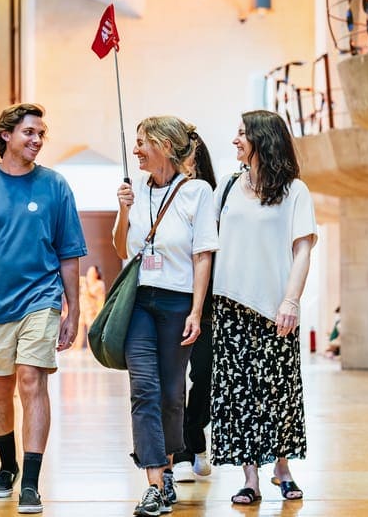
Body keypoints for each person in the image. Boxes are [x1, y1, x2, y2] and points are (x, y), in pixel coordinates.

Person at [0, 103, 87, 514]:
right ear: (6, 135)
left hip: (39, 299)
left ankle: (30, 480)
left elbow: (69, 254)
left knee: (31, 380)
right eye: (29, 132)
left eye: (42, 134)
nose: (37, 140)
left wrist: (72, 311)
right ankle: (6, 465)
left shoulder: (55, 186)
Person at [112, 117, 218, 516]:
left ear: (165, 146)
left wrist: (196, 309)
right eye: (136, 143)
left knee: (173, 395)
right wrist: (123, 211)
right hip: (139, 302)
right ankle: (155, 483)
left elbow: (202, 253)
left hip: (177, 303)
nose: (136, 150)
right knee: (144, 390)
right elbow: (122, 247)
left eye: (142, 143)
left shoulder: (197, 192)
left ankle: (170, 468)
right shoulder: (135, 189)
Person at [211, 109, 317, 505]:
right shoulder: (226, 188)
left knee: (279, 393)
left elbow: (302, 249)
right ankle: (250, 478)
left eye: (242, 133)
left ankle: (282, 469)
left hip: (276, 310)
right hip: (230, 307)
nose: (235, 139)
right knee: (238, 396)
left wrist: (291, 300)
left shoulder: (295, 190)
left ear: (262, 138)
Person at [171, 129, 217, 483]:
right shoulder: (162, 192)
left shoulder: (211, 196)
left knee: (204, 374)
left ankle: (195, 435)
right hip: (174, 292)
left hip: (211, 298)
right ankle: (185, 449)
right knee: (174, 378)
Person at [76, 265, 105, 349]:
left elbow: (93, 293)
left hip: (92, 310)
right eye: (89, 271)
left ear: (96, 273)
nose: (89, 273)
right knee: (79, 329)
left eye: (92, 272)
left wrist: (87, 284)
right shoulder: (85, 281)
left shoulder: (99, 284)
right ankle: (76, 348)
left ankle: (91, 349)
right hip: (82, 308)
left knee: (90, 331)